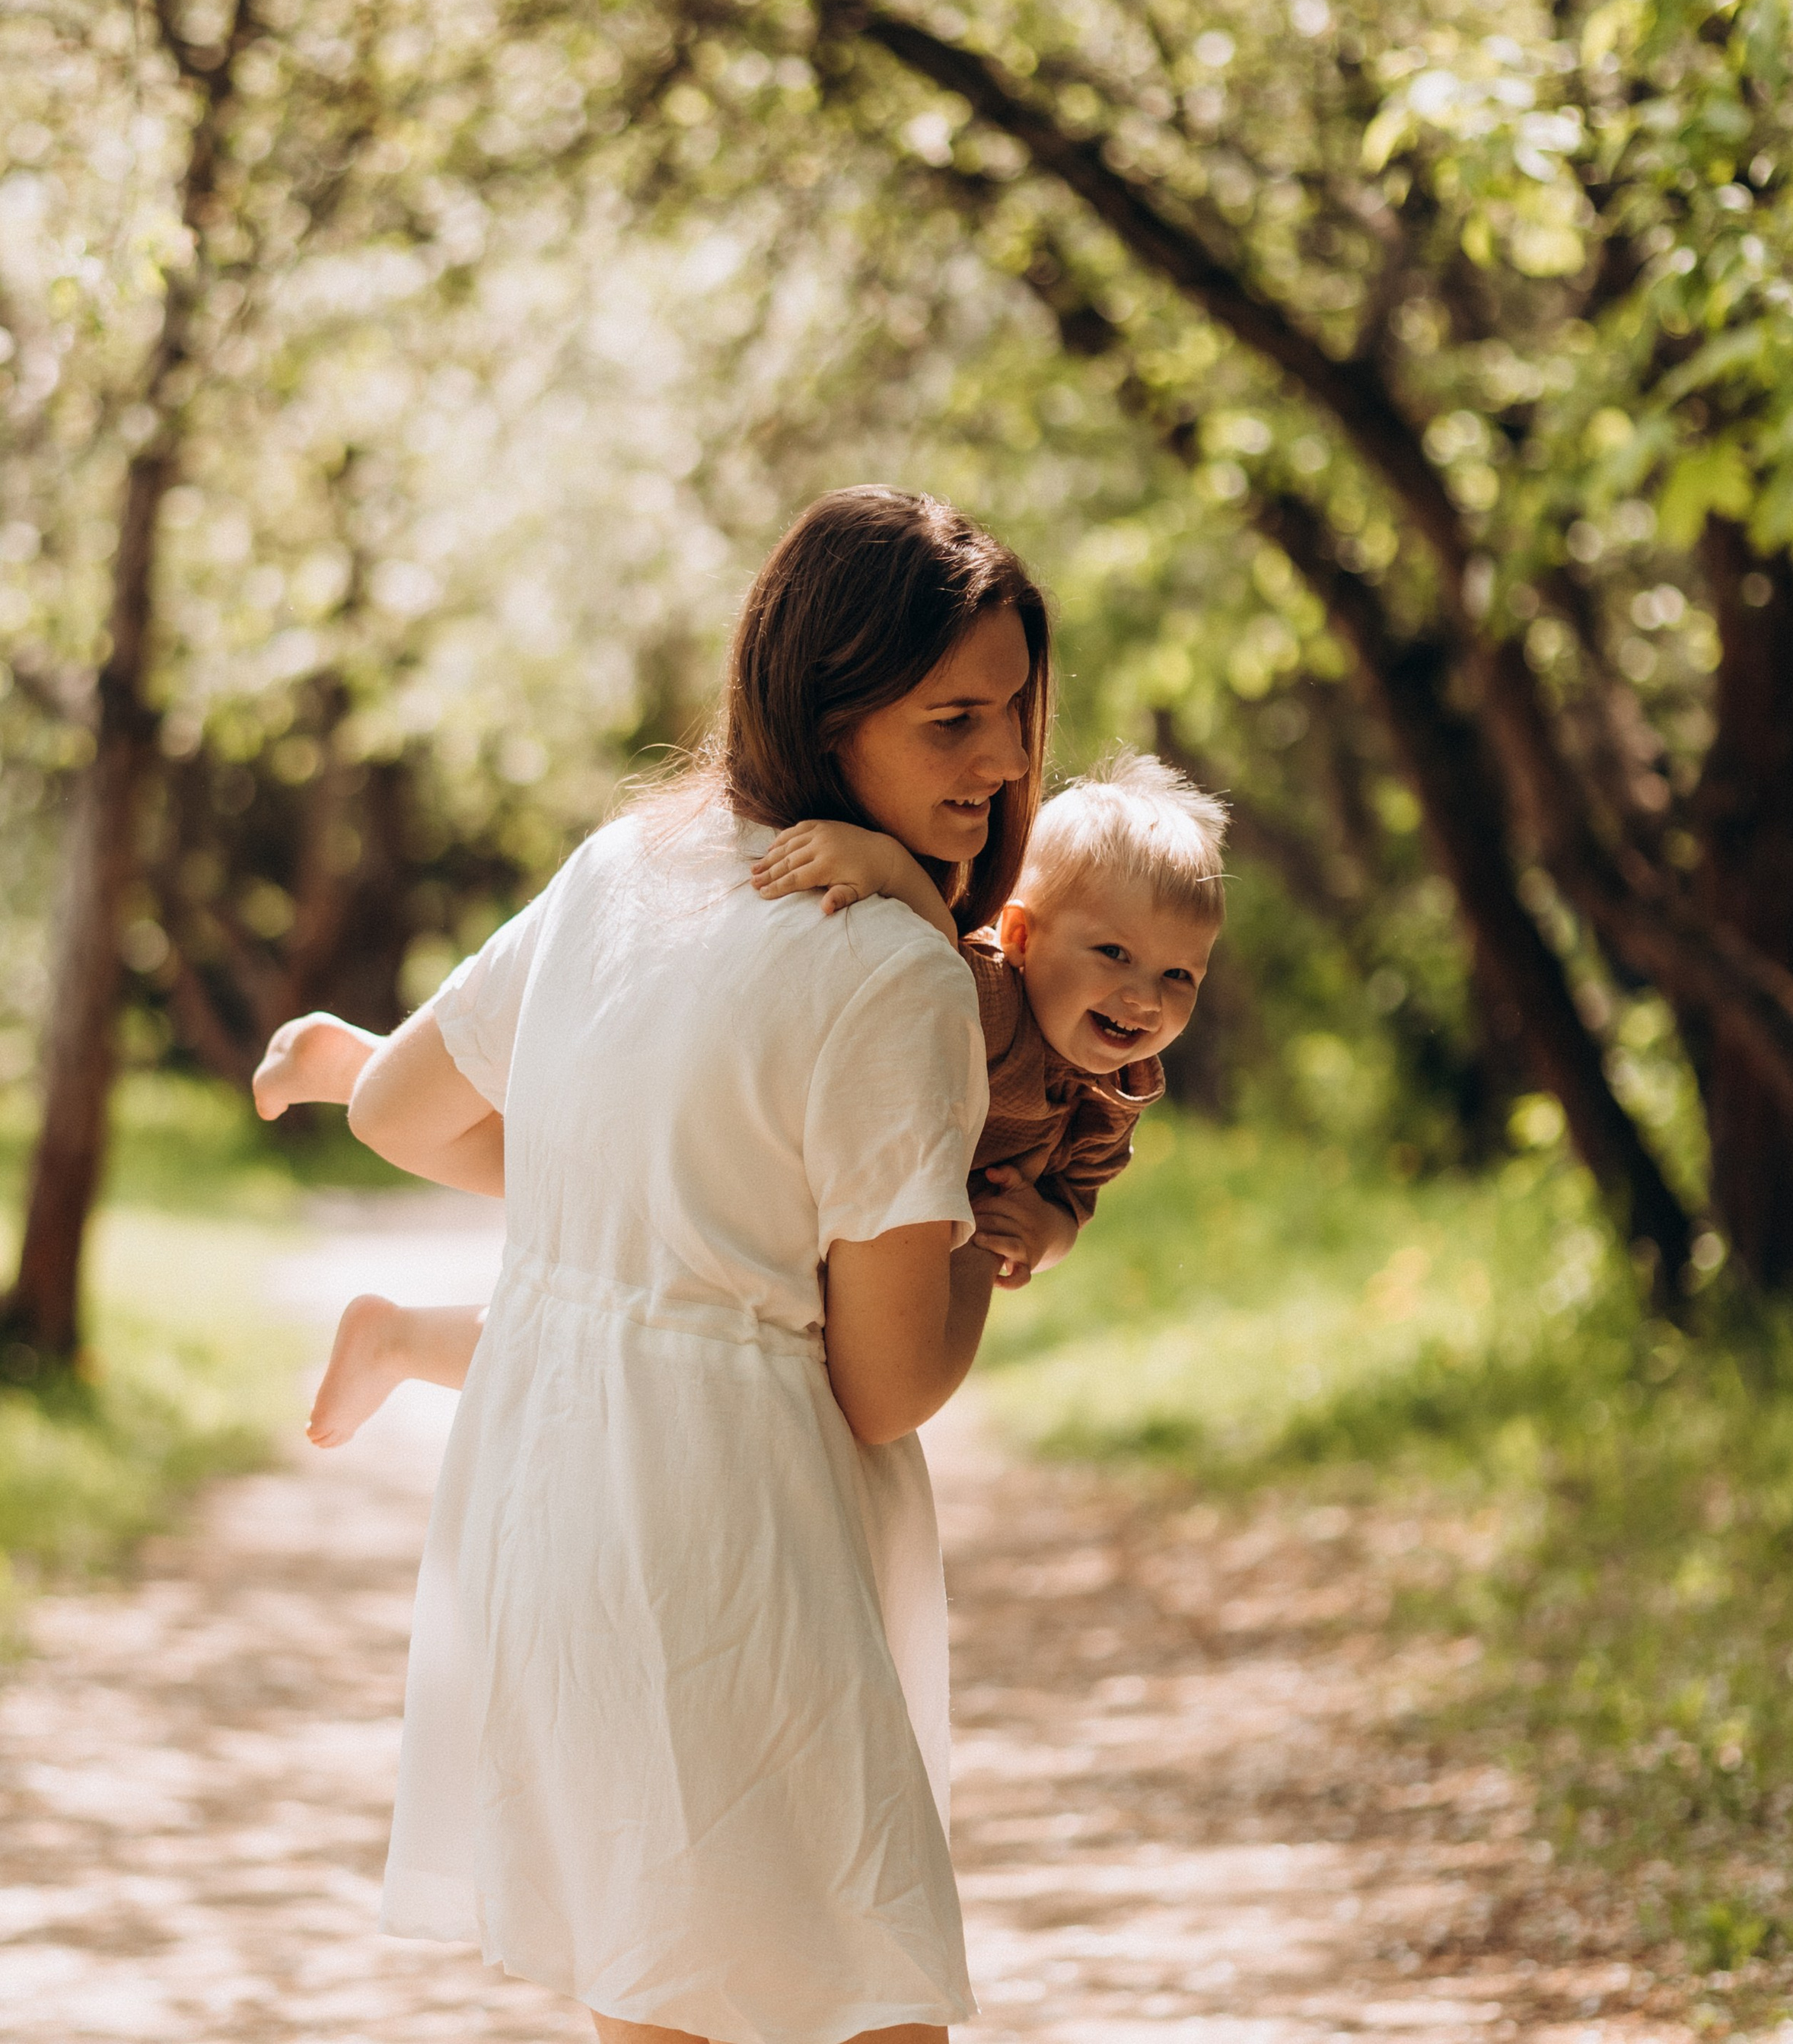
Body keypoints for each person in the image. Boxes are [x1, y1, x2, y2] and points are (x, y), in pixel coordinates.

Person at [260, 486, 1049, 2044]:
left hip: (548, 1500)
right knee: (861, 1999)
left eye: (1016, 711)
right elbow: (887, 1384)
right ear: (825, 709)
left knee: (653, 1994)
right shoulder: (895, 974)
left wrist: (651, 1202)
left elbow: (401, 1110)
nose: (1005, 761)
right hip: (730, 1531)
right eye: (952, 719)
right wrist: (991, 1222)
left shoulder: (624, 864)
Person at [264, 751, 1229, 1442]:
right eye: (1114, 954)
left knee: (611, 1325)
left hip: (850, 1229)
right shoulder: (986, 992)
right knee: (633, 1331)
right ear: (1020, 936)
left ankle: (397, 1333)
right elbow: (934, 947)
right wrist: (887, 865)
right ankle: (354, 1076)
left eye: (1179, 975)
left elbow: (1072, 1206)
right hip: (795, 1192)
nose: (1143, 998)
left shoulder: (1115, 1095)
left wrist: (1041, 1233)